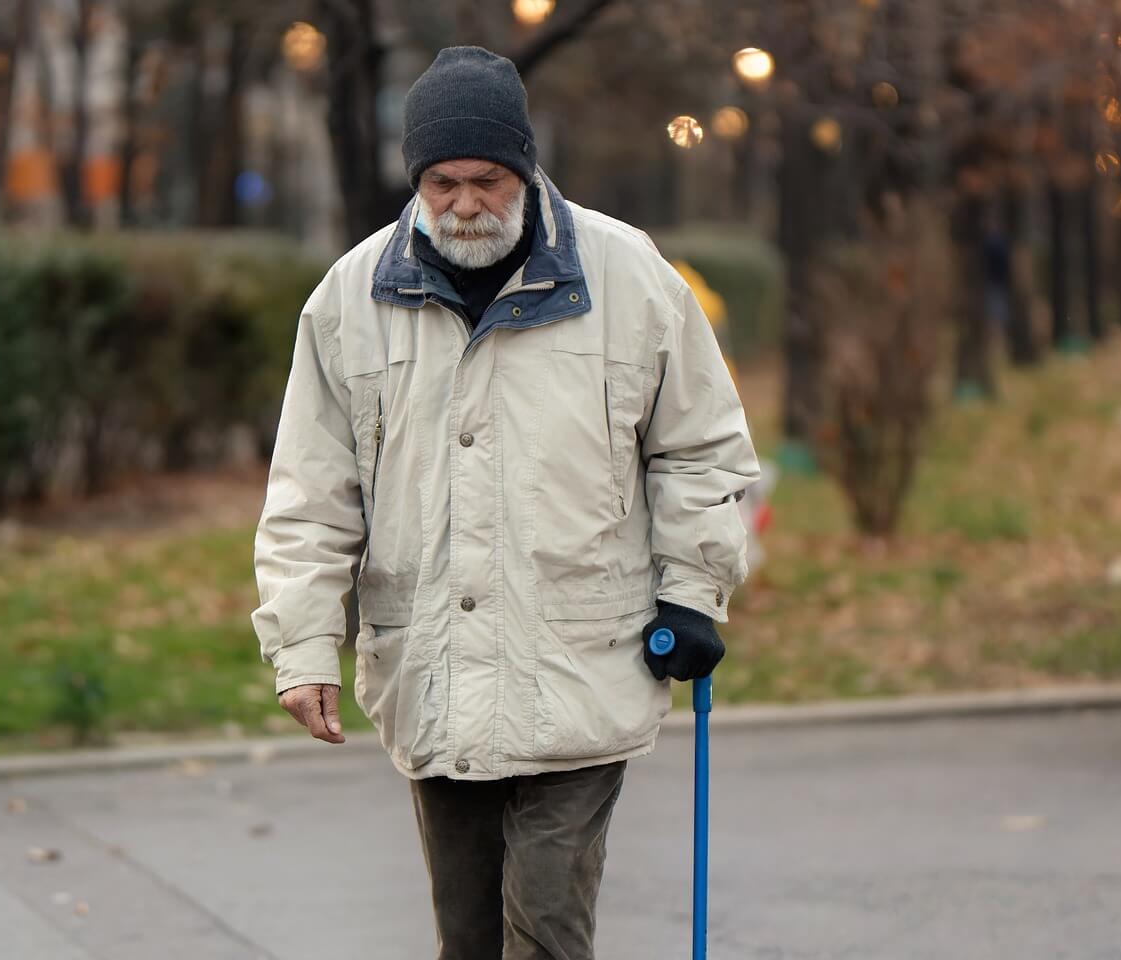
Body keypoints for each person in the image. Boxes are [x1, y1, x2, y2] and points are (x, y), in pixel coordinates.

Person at [252, 45, 759, 960]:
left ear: (523, 169)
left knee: (549, 932)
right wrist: (300, 647)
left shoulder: (629, 276)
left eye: (486, 180)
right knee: (469, 940)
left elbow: (700, 450)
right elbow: (310, 491)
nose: (464, 204)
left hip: (584, 664)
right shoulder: (351, 298)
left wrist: (693, 592)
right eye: (441, 184)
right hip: (433, 673)